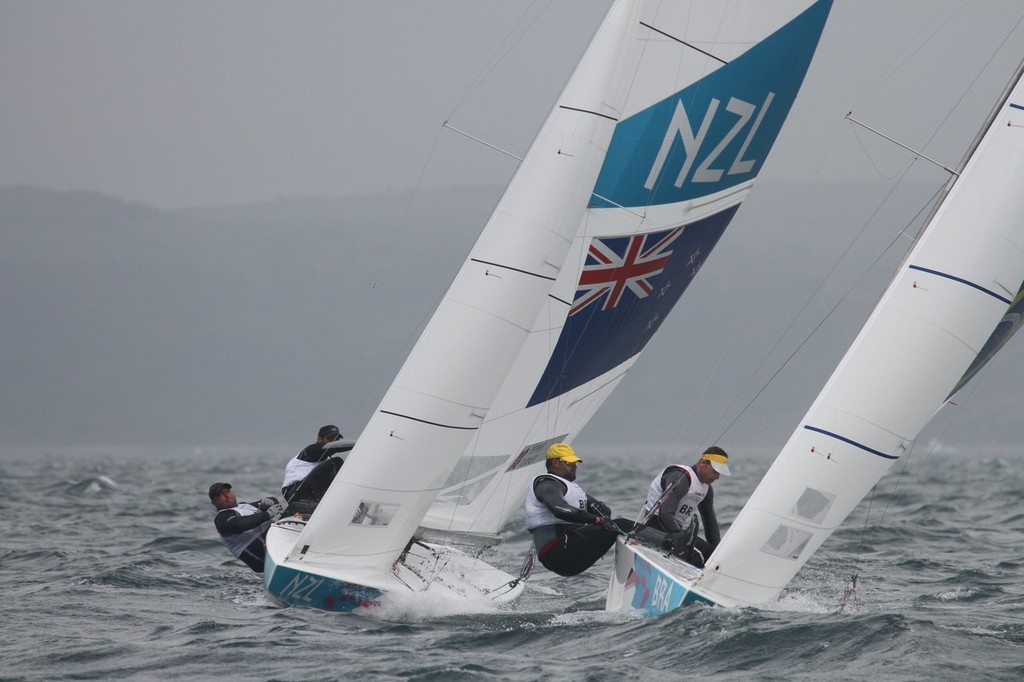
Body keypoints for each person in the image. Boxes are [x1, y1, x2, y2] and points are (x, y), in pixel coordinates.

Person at [524, 443, 643, 577]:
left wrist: (601, 510)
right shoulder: (547, 484)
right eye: (569, 462)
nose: (575, 466)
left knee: (615, 527)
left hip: (569, 557)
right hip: (556, 553)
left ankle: (656, 548)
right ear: (555, 463)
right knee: (621, 525)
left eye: (575, 463)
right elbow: (560, 510)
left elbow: (598, 508)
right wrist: (597, 520)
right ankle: (667, 542)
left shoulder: (570, 487)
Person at [641, 446, 731, 567]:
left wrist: (717, 553)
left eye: (719, 473)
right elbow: (665, 515)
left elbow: (710, 524)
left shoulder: (706, 489)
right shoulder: (682, 478)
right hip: (655, 526)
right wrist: (681, 541)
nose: (717, 477)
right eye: (715, 472)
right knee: (698, 557)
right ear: (703, 463)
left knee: (711, 555)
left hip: (676, 531)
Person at [209, 482, 284, 573]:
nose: (226, 495)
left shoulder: (244, 506)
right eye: (221, 495)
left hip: (279, 543)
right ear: (214, 503)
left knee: (296, 507)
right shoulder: (221, 518)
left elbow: (273, 500)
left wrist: (269, 502)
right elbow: (239, 524)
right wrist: (267, 514)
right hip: (264, 560)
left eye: (227, 491)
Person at [281, 424, 349, 502]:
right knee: (336, 462)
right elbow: (332, 447)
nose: (334, 441)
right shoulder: (309, 451)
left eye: (336, 439)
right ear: (319, 439)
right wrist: (361, 443)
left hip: (310, 496)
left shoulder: (326, 463)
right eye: (330, 438)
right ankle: (339, 500)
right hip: (293, 493)